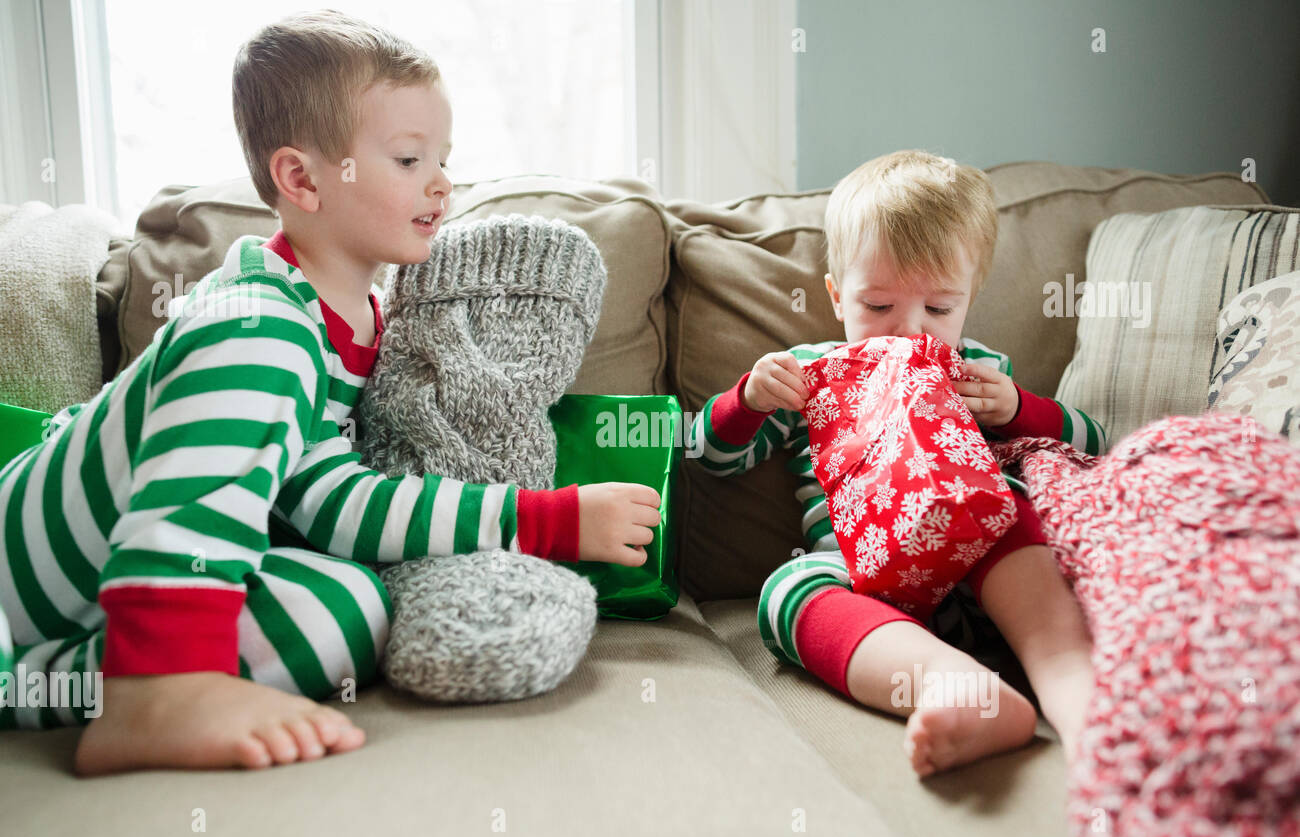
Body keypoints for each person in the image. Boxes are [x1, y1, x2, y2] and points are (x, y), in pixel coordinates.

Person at [0, 10, 660, 775]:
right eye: (410, 159)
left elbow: (332, 499)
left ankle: (49, 682)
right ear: (304, 179)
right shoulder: (251, 319)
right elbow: (224, 486)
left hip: (70, 610)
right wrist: (543, 522)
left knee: (345, 613)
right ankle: (161, 682)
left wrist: (543, 518)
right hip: (27, 565)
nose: (442, 183)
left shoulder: (362, 322)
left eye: (443, 158)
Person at [690, 149, 1107, 775]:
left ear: (969, 299)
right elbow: (709, 456)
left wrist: (1019, 408)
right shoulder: (808, 372)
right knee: (788, 592)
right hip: (862, 574)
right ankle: (954, 686)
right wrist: (747, 399)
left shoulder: (980, 369)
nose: (910, 331)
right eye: (878, 307)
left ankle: (1075, 689)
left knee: (1011, 509)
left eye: (938, 310)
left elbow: (1089, 444)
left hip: (974, 556)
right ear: (837, 296)